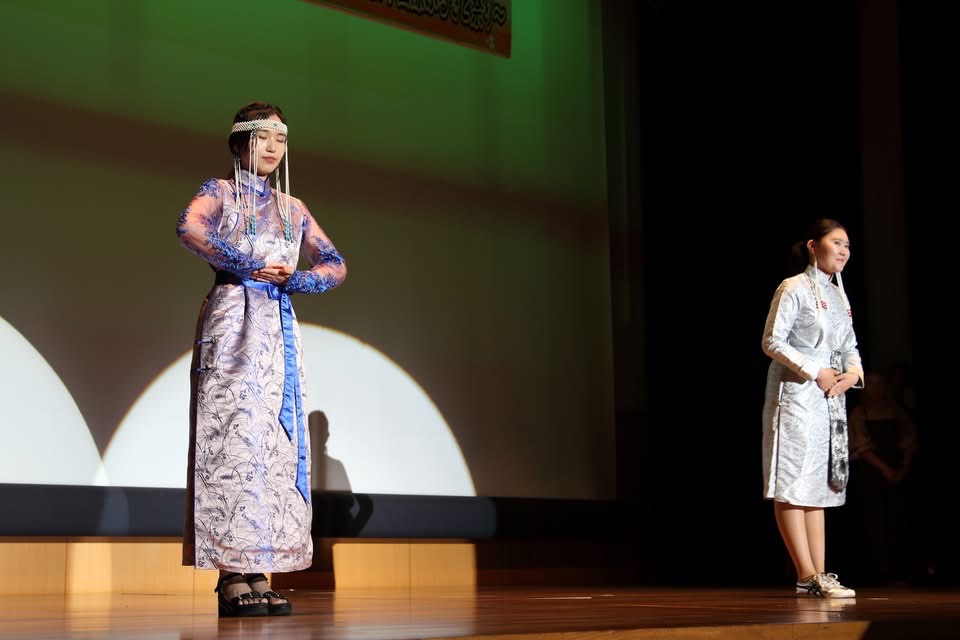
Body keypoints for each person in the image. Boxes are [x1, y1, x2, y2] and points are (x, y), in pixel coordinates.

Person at [176, 102, 347, 617]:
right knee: (232, 442)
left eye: (281, 139)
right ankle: (231, 573)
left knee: (272, 448)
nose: (273, 147)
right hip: (233, 322)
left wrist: (297, 279)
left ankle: (259, 569)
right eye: (262, 137)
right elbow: (189, 227)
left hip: (277, 327)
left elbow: (335, 264)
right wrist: (248, 262)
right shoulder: (221, 191)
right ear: (240, 142)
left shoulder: (293, 208)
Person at [761, 219, 863, 598]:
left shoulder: (838, 296)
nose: (843, 251)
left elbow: (849, 346)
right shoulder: (793, 287)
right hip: (794, 392)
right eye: (836, 243)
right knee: (792, 480)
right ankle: (806, 574)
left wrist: (853, 374)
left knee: (817, 485)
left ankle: (820, 574)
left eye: (847, 245)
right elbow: (772, 341)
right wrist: (813, 369)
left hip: (827, 397)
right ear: (812, 245)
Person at [847, 369, 918, 584]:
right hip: (871, 472)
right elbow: (861, 445)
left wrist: (902, 468)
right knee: (874, 521)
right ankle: (878, 572)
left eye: (879, 383)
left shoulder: (896, 411)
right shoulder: (860, 413)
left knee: (898, 520)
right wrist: (885, 469)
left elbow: (909, 439)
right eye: (870, 384)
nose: (875, 388)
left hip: (896, 470)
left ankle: (901, 570)